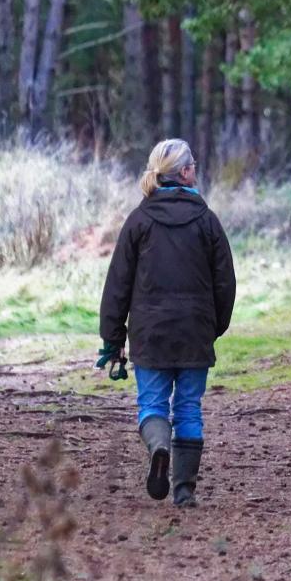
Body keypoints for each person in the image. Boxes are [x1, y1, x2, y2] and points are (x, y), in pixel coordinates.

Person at [98, 139, 236, 507]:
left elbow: (118, 284)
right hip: (195, 331)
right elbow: (225, 282)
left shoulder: (139, 220)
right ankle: (184, 489)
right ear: (186, 172)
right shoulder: (207, 220)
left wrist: (113, 339)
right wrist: (214, 327)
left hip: (150, 333)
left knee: (153, 405)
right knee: (189, 407)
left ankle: (158, 446)